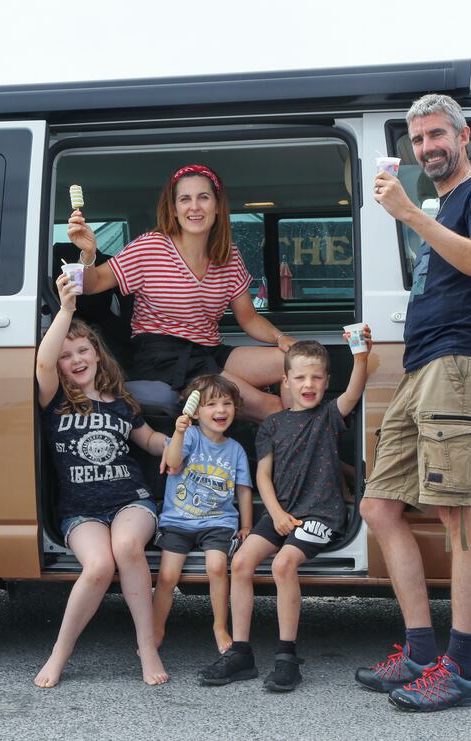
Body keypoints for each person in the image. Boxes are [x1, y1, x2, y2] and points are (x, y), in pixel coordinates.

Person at [356, 93, 471, 712]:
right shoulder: (444, 204)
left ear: (463, 135)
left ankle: (464, 670)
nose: (427, 148)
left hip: (459, 362)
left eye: (437, 135)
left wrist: (408, 215)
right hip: (421, 366)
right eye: (418, 140)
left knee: (457, 512)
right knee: (378, 505)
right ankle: (421, 651)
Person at [198, 332, 371, 692]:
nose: (308, 384)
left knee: (282, 564)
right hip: (283, 512)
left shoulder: (328, 415)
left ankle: (286, 656)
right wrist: (275, 513)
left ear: (326, 382)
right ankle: (241, 653)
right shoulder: (273, 424)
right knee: (242, 563)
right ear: (286, 381)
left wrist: (360, 354)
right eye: (300, 377)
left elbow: (353, 392)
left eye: (317, 378)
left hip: (319, 516)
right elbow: (263, 475)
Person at [67, 164, 296, 423]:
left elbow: (249, 318)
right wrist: (87, 255)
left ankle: (303, 453)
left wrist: (280, 337)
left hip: (209, 350)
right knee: (271, 406)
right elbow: (90, 285)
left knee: (299, 362)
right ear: (174, 210)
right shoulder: (151, 246)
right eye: (185, 199)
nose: (194, 207)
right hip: (163, 357)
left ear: (218, 206)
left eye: (204, 197)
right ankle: (307, 459)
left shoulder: (229, 255)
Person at [33, 272, 170, 688]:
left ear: (97, 353)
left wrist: (182, 439)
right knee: (97, 566)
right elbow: (42, 361)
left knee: (128, 547)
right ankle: (60, 653)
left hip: (131, 500)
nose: (76, 359)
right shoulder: (54, 399)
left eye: (83, 349)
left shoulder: (121, 402)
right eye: (66, 355)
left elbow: (148, 441)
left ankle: (147, 647)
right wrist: (68, 308)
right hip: (82, 511)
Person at [151, 375, 253, 654]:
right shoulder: (189, 436)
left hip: (218, 521)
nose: (220, 410)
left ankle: (220, 626)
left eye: (227, 403)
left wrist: (246, 525)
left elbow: (243, 491)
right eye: (211, 404)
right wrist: (180, 433)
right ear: (195, 411)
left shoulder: (236, 450)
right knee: (168, 576)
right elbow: (172, 465)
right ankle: (156, 627)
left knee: (218, 568)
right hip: (178, 519)